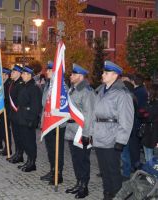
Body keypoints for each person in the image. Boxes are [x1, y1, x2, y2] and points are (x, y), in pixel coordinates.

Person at [90, 61, 134, 200]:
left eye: (106, 73)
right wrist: (91, 133)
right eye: (104, 72)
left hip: (112, 137)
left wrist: (121, 140)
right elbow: (94, 115)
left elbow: (126, 118)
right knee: (104, 170)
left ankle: (117, 196)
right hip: (99, 136)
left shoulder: (122, 93)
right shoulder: (101, 90)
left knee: (113, 171)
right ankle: (107, 194)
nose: (103, 74)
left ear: (115, 75)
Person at [64, 64, 95, 198]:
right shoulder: (72, 89)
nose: (71, 76)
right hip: (71, 130)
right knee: (75, 159)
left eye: (73, 74)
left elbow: (89, 114)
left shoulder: (87, 92)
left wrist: (87, 134)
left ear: (80, 76)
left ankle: (84, 186)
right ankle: (78, 182)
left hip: (81, 130)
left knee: (83, 160)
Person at [40, 61, 66, 185]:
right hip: (48, 120)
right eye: (47, 70)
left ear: (55, 72)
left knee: (57, 150)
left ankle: (58, 174)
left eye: (49, 70)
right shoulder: (48, 84)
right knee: (50, 149)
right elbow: (44, 103)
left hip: (57, 123)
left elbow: (62, 104)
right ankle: (52, 170)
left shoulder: (60, 86)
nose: (47, 72)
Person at [15, 66, 42, 172]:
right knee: (25, 141)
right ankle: (28, 161)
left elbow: (36, 107)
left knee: (30, 142)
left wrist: (31, 120)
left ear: (29, 75)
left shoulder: (34, 88)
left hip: (28, 120)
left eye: (23, 74)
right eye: (22, 74)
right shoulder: (24, 86)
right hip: (22, 118)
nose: (22, 75)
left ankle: (32, 163)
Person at [7, 65, 25, 164]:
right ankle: (17, 153)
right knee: (16, 136)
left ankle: (20, 155)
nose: (11, 74)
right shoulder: (13, 83)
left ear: (18, 73)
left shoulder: (20, 84)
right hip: (13, 114)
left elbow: (19, 100)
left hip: (18, 114)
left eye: (13, 72)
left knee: (19, 136)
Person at [139, 84, 158, 163]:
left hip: (152, 131)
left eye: (148, 90)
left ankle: (150, 173)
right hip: (149, 131)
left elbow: (148, 117)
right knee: (148, 154)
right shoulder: (150, 102)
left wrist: (143, 113)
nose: (147, 92)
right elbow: (142, 113)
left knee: (149, 155)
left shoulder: (154, 103)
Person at [0, 67, 12, 156]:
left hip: (6, 110)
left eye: (2, 74)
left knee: (6, 130)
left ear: (6, 75)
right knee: (2, 129)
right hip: (2, 110)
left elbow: (7, 98)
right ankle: (5, 147)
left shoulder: (8, 84)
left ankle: (8, 148)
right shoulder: (2, 84)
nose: (1, 76)